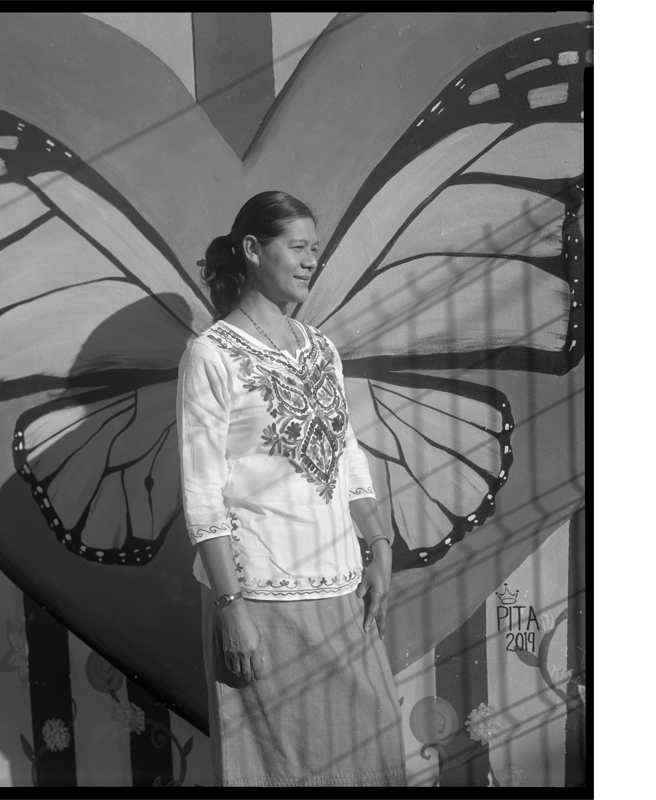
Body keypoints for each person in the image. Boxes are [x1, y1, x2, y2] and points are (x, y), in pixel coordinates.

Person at [176, 191, 407, 787]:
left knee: (373, 748)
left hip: (343, 590)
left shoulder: (320, 347)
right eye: (298, 247)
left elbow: (346, 449)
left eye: (315, 250)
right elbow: (203, 492)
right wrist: (232, 608)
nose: (311, 261)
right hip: (264, 595)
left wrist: (379, 544)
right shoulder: (211, 355)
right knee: (280, 767)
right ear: (253, 250)